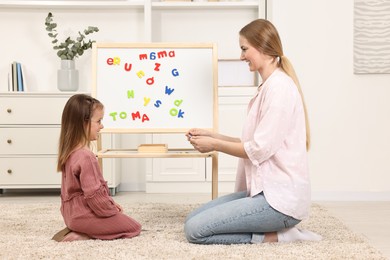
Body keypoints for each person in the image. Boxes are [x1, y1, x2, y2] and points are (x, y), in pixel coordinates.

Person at [184, 19, 322, 244]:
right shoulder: (268, 87)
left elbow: (257, 149)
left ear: (264, 48)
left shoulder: (279, 88)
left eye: (244, 49)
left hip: (279, 201)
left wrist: (214, 145)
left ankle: (278, 236)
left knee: (195, 231)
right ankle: (276, 232)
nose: (241, 56)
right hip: (264, 192)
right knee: (193, 219)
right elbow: (254, 142)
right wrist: (213, 136)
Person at [52, 94, 141, 242]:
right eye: (99, 121)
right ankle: (84, 233)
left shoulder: (69, 152)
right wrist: (112, 210)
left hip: (70, 215)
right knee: (134, 227)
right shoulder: (86, 156)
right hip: (84, 216)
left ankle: (81, 228)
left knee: (117, 217)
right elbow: (95, 196)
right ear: (83, 123)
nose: (102, 126)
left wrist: (111, 203)